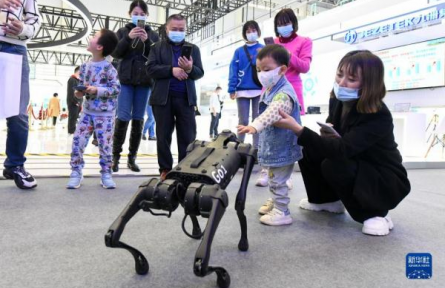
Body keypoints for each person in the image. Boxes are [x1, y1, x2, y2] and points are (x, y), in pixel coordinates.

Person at [274, 50, 411, 236]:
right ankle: (325, 200)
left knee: (333, 163)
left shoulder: (378, 115)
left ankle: (375, 214)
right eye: (340, 75)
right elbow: (336, 137)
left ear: (368, 84)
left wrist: (298, 129)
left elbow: (343, 149)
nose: (341, 82)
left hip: (383, 177)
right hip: (355, 161)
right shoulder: (338, 100)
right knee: (309, 149)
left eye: (351, 79)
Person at [238, 44, 302, 226]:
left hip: (283, 148)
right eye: (258, 69)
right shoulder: (270, 87)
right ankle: (275, 202)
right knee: (274, 178)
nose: (261, 74)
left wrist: (254, 125)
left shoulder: (284, 93)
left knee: (278, 181)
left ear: (282, 69)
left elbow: (274, 111)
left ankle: (282, 211)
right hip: (275, 147)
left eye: (266, 69)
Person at [256, 8, 313, 187]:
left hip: (291, 89)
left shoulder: (304, 41)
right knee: (266, 127)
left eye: (286, 23)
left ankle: (285, 173)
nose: (283, 27)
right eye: (279, 24)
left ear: (294, 23)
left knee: (288, 130)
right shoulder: (272, 42)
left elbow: (304, 66)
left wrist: (288, 55)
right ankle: (266, 170)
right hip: (270, 89)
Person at [146, 14, 204, 181]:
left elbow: (199, 73)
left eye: (181, 29)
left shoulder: (194, 49)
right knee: (163, 136)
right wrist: (171, 70)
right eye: (174, 29)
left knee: (187, 136)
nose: (178, 32)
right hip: (162, 99)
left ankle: (184, 169)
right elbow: (150, 69)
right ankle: (165, 169)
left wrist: (190, 68)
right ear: (166, 29)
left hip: (186, 99)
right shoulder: (156, 47)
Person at [66, 29, 120, 189]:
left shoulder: (110, 68)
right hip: (87, 113)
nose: (91, 37)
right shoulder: (84, 67)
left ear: (100, 47)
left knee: (105, 145)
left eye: (95, 36)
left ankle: (106, 173)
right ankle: (76, 171)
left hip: (105, 115)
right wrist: (79, 92)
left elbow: (116, 89)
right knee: (78, 141)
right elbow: (79, 91)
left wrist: (97, 90)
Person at [111, 0, 159, 172]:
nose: (139, 16)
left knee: (138, 119)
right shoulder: (123, 31)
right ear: (129, 14)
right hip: (125, 80)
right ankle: (114, 157)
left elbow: (156, 57)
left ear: (147, 15)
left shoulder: (153, 35)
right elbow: (115, 53)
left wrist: (147, 42)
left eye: (142, 13)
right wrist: (127, 38)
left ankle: (132, 158)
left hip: (145, 82)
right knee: (123, 116)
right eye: (135, 13)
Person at [1, 0, 41, 189]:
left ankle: (15, 165)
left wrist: (23, 28)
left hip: (15, 48)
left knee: (18, 113)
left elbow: (35, 20)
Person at [228, 20, 263, 151]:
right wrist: (232, 88)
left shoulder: (263, 48)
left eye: (253, 30)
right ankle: (238, 148)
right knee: (242, 120)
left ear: (258, 32)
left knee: (257, 121)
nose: (251, 33)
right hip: (242, 90)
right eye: (248, 31)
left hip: (259, 89)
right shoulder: (238, 51)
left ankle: (256, 150)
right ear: (244, 34)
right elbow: (233, 70)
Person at [67, 66, 81, 134]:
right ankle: (71, 131)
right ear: (78, 71)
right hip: (73, 102)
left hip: (77, 102)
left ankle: (73, 130)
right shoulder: (72, 79)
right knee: (72, 117)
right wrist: (76, 102)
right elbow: (71, 92)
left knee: (75, 117)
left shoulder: (77, 80)